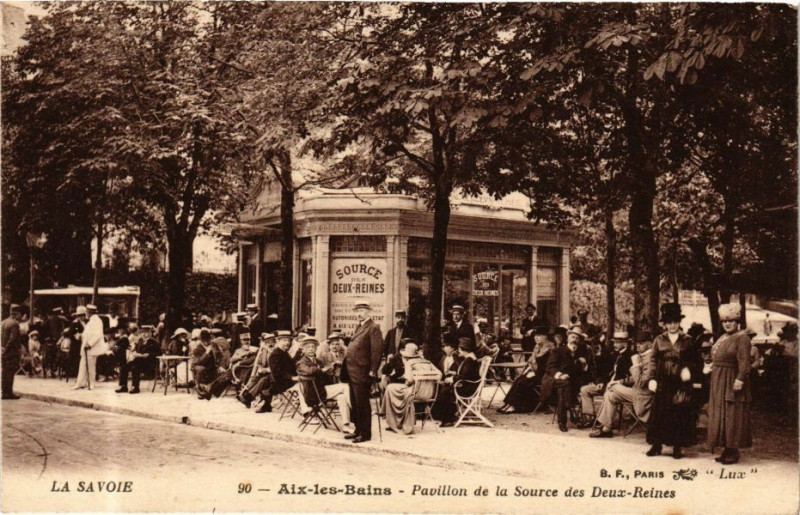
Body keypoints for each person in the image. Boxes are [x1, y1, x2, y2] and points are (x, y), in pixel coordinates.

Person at [643, 303, 702, 459]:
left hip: (681, 381)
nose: (672, 325)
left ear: (679, 322)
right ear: (665, 323)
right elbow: (653, 360)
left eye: (675, 321)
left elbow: (696, 361)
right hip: (663, 380)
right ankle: (656, 445)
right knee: (659, 413)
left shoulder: (688, 340)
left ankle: (677, 446)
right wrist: (651, 379)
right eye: (669, 322)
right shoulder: (659, 339)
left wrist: (689, 370)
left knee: (679, 413)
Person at [707, 303, 753, 465]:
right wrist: (710, 366)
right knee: (722, 414)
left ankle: (733, 451)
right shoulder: (723, 337)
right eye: (725, 321)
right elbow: (717, 356)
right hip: (719, 381)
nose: (727, 324)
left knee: (733, 414)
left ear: (737, 322)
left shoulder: (742, 338)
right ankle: (726, 448)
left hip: (732, 379)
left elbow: (745, 362)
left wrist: (740, 379)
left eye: (731, 321)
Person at [590, 330, 656, 438]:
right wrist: (620, 381)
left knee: (612, 387)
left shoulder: (651, 359)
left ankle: (601, 424)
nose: (638, 345)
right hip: (637, 392)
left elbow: (641, 382)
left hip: (644, 396)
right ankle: (607, 429)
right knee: (610, 395)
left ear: (650, 343)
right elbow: (635, 378)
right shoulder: (643, 356)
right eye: (637, 343)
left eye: (642, 343)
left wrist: (635, 365)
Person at [341, 302, 382, 443]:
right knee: (355, 402)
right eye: (357, 311)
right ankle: (358, 430)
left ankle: (365, 434)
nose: (359, 313)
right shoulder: (360, 326)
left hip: (363, 372)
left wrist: (373, 371)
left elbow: (376, 352)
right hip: (353, 372)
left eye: (362, 311)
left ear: (369, 312)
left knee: (363, 404)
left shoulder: (373, 327)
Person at [295, 338, 353, 433]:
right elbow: (309, 371)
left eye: (313, 347)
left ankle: (346, 425)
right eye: (308, 347)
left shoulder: (318, 361)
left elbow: (324, 376)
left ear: (316, 349)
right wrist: (324, 369)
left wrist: (331, 369)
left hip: (321, 390)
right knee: (345, 387)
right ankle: (356, 411)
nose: (311, 349)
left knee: (342, 397)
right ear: (303, 350)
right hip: (313, 393)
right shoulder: (301, 362)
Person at [383, 343, 442, 435]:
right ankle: (395, 420)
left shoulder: (409, 363)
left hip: (415, 393)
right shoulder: (427, 362)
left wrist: (409, 380)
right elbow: (439, 374)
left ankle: (394, 422)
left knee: (390, 388)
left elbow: (409, 380)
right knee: (394, 389)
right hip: (429, 393)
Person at [578, 332, 634, 428]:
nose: (614, 345)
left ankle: (604, 421)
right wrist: (601, 382)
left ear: (625, 344)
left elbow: (632, 378)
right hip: (607, 384)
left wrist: (617, 383)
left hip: (620, 388)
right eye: (614, 342)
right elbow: (605, 371)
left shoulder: (631, 357)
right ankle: (590, 418)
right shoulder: (613, 354)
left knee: (609, 393)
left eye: (617, 343)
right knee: (585, 390)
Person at [497, 326, 553, 414]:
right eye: (535, 336)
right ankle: (509, 404)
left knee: (523, 382)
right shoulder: (537, 347)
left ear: (545, 337)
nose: (536, 338)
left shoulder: (549, 349)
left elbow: (547, 366)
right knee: (518, 379)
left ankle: (515, 406)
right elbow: (531, 362)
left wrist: (534, 372)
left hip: (544, 375)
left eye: (539, 336)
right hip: (534, 372)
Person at [431, 337, 481, 427]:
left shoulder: (469, 360)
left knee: (445, 391)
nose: (458, 351)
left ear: (464, 350)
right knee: (445, 389)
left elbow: (464, 376)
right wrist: (454, 374)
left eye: (460, 349)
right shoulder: (469, 359)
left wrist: (451, 379)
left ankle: (447, 418)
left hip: (467, 388)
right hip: (466, 385)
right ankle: (446, 417)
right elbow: (465, 374)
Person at [545, 327, 582, 432]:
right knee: (563, 386)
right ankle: (565, 417)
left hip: (574, 382)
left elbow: (588, 367)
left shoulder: (581, 351)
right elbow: (550, 367)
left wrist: (583, 363)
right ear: (568, 338)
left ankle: (562, 420)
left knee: (564, 388)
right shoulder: (558, 350)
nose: (575, 339)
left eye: (577, 338)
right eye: (573, 337)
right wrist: (560, 375)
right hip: (556, 380)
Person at [239, 333, 278, 408]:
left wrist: (266, 370)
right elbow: (260, 363)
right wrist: (260, 369)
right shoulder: (264, 352)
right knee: (254, 379)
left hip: (275, 375)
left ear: (276, 343)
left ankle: (248, 398)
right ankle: (246, 397)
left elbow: (278, 367)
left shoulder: (277, 352)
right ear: (265, 344)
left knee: (262, 381)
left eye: (272, 342)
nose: (270, 344)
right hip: (266, 374)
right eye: (268, 342)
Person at [73, 304, 107, 390]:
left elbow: (98, 335)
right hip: (87, 347)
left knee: (91, 366)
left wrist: (90, 344)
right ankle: (80, 383)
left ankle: (91, 384)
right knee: (83, 365)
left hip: (92, 347)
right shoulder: (92, 321)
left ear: (90, 312)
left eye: (87, 312)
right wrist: (82, 336)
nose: (86, 314)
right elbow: (88, 334)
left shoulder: (96, 321)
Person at [117, 325, 159, 394]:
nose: (144, 334)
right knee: (124, 366)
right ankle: (123, 386)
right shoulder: (140, 341)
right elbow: (136, 350)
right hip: (138, 361)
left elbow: (149, 355)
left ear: (150, 333)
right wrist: (133, 351)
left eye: (146, 332)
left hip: (149, 363)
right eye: (142, 332)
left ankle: (135, 387)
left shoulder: (153, 342)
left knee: (135, 367)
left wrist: (139, 355)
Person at [2, 304, 24, 399]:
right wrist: (7, 349)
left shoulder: (4, 322)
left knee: (5, 372)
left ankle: (5, 392)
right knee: (10, 373)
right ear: (17, 313)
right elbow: (13, 339)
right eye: (20, 314)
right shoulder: (14, 324)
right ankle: (8, 392)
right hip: (11, 352)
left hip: (4, 351)